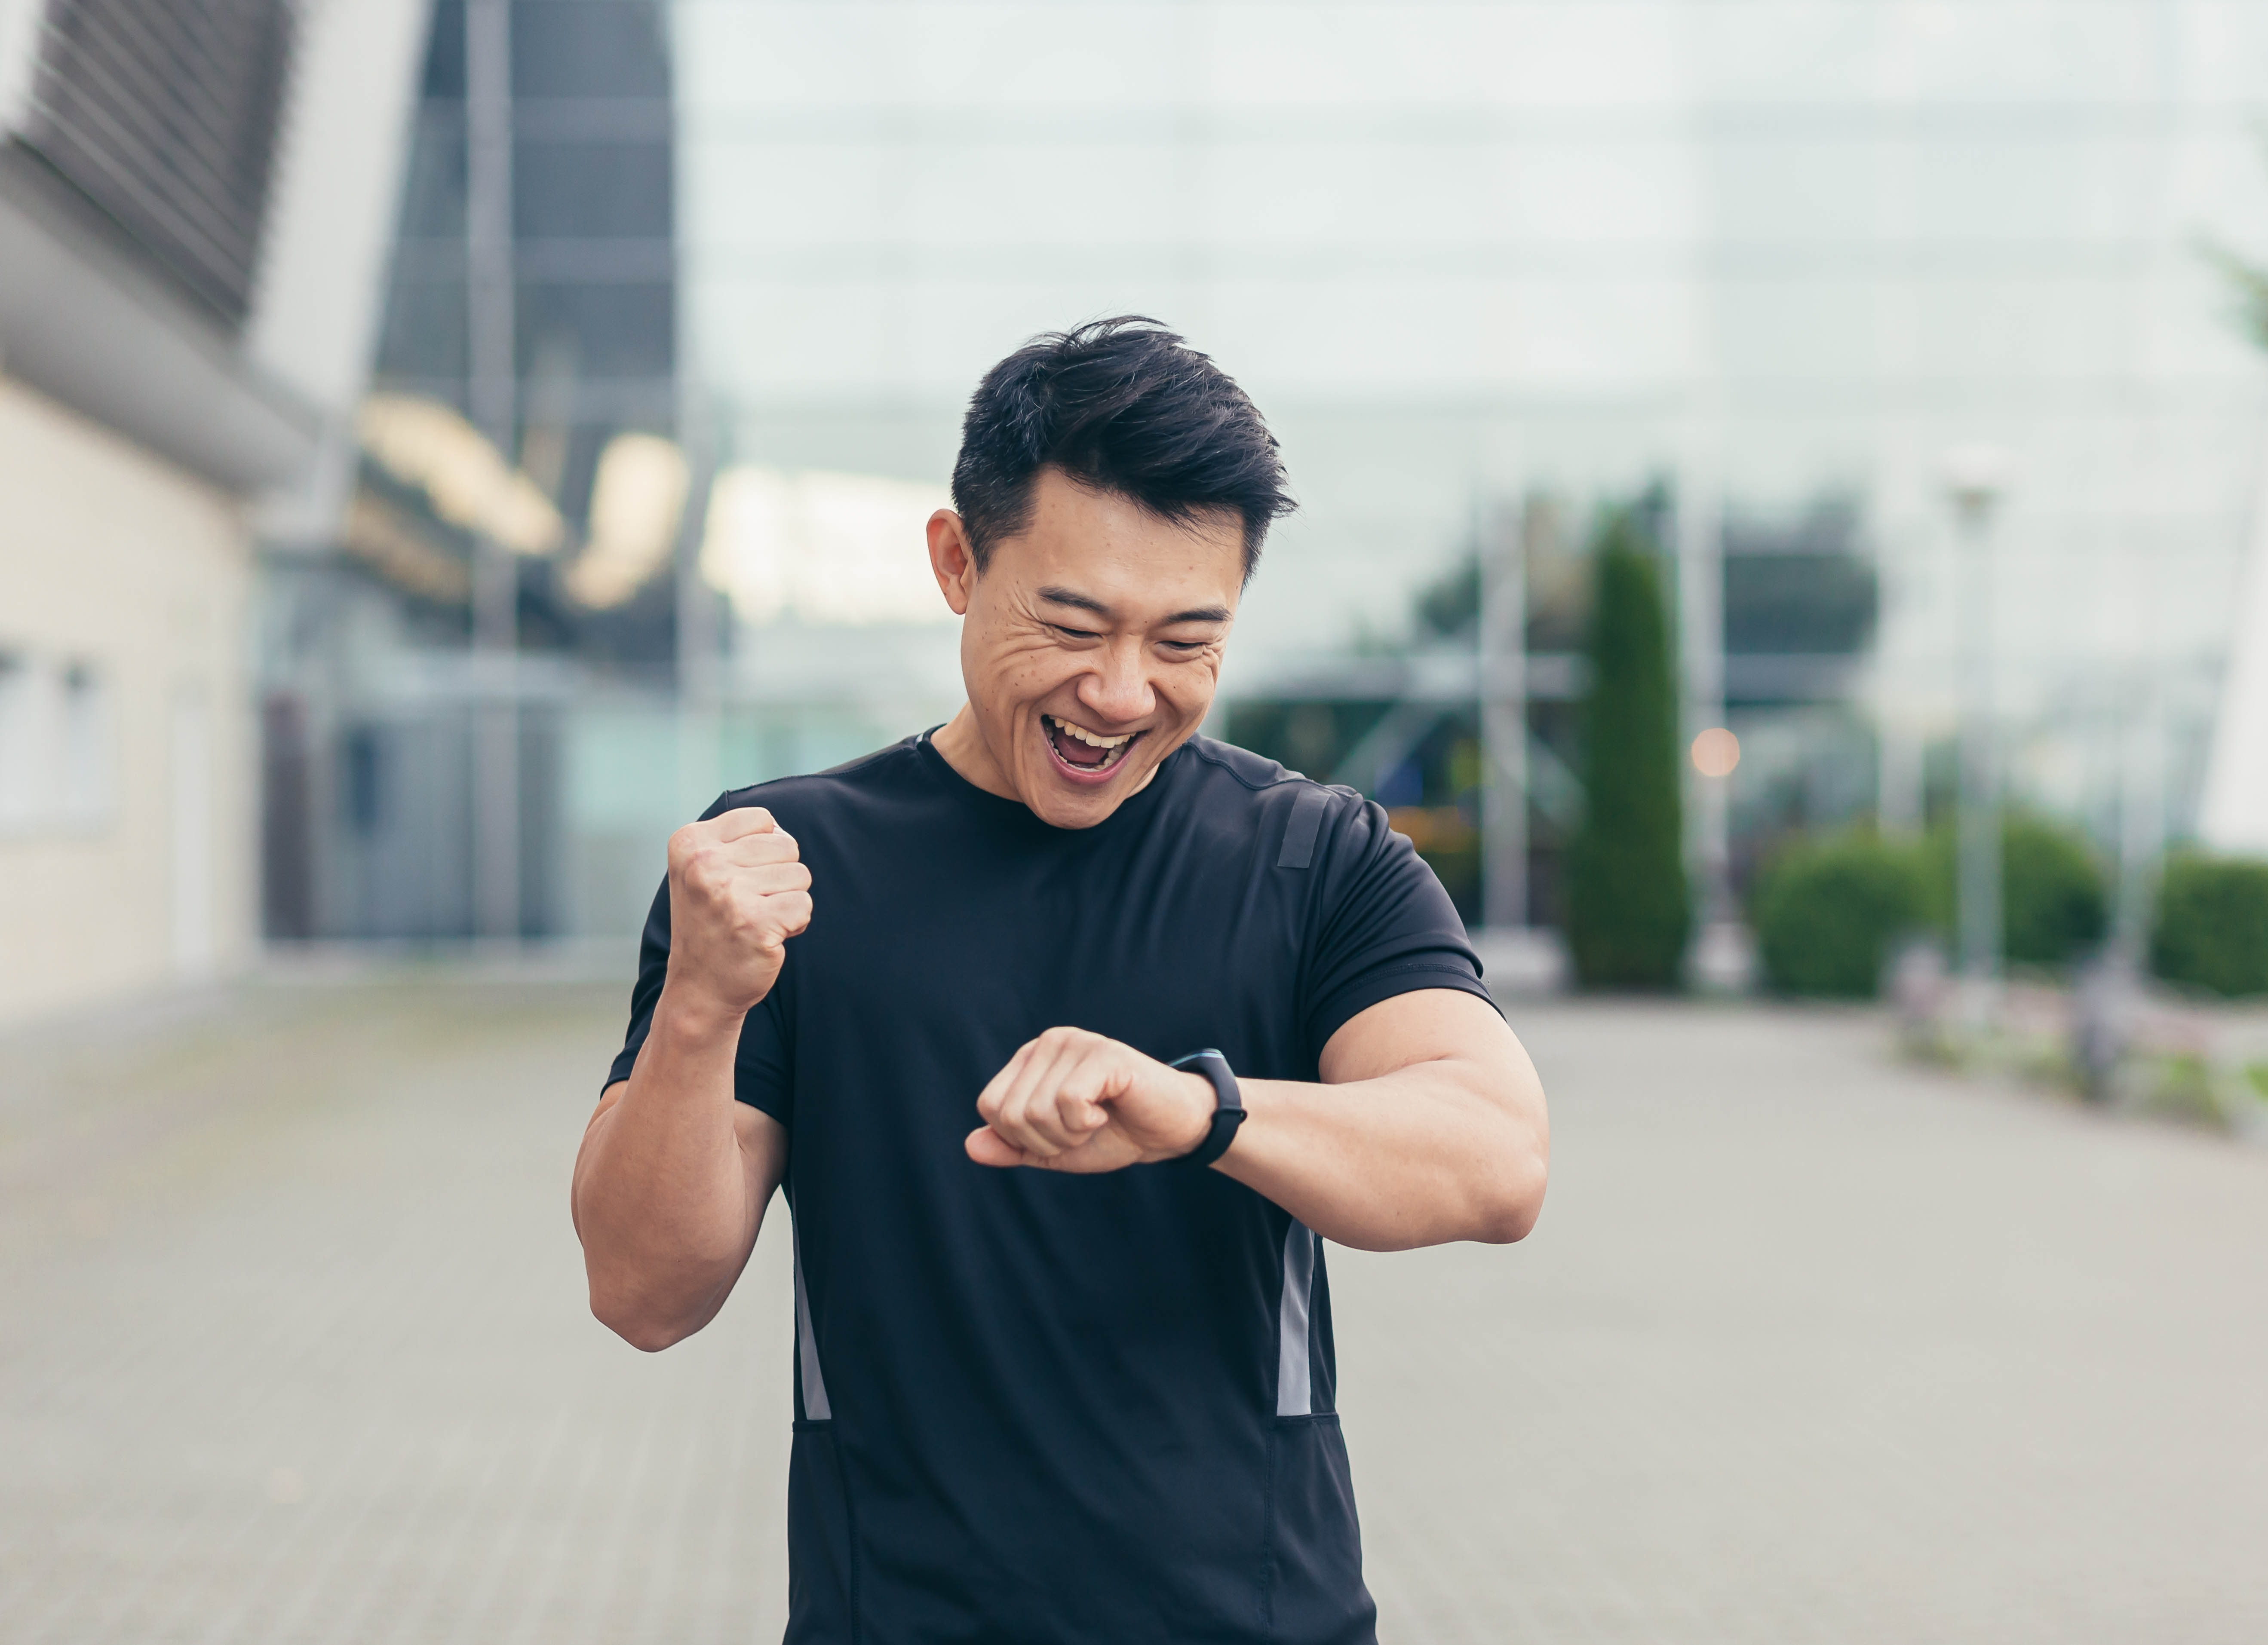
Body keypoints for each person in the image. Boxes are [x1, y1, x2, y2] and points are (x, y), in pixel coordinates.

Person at [571, 316, 1550, 1645]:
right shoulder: (784, 869)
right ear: (956, 562)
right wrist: (699, 1009)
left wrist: (1200, 1109)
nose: (1122, 691)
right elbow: (643, 1291)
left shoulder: (1313, 858)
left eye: (1185, 640)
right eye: (1074, 623)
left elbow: (1496, 1157)